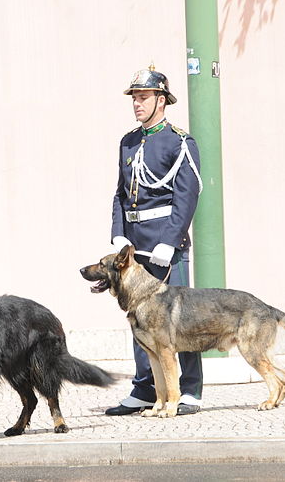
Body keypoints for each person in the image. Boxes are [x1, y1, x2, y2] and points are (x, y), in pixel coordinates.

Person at [107, 64, 204, 416]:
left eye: (144, 97)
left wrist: (171, 239)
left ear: (161, 100)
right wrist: (118, 233)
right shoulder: (129, 142)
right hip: (134, 247)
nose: (137, 103)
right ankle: (146, 388)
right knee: (139, 318)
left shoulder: (179, 141)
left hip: (166, 245)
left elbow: (188, 194)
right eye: (135, 97)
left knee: (182, 320)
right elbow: (120, 193)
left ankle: (190, 389)